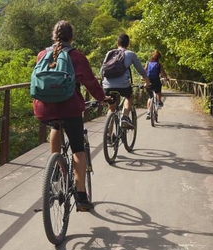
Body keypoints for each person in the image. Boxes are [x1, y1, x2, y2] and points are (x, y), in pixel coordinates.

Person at [33, 20, 110, 211]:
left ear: (54, 36)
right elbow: (91, 83)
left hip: (45, 109)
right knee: (78, 150)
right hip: (70, 108)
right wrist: (102, 98)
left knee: (55, 126)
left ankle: (56, 167)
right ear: (71, 36)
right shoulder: (76, 56)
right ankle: (82, 197)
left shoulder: (42, 55)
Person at [100, 33, 150, 129]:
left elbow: (102, 71)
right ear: (128, 44)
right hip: (123, 85)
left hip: (107, 85)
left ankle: (109, 136)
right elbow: (141, 70)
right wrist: (147, 82)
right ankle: (125, 117)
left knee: (111, 107)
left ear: (117, 43)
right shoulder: (131, 54)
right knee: (129, 96)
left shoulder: (109, 53)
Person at [145, 49, 168, 118]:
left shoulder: (148, 63)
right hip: (156, 81)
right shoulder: (159, 65)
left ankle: (148, 112)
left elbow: (144, 70)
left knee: (150, 97)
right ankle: (159, 101)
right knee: (158, 91)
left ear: (152, 56)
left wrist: (143, 78)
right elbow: (163, 73)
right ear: (159, 58)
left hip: (148, 81)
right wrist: (166, 78)